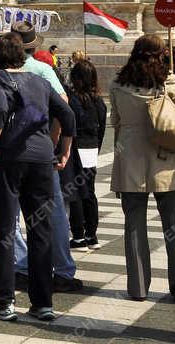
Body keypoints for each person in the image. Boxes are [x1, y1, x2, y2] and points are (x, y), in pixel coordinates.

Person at [0, 22, 82, 293]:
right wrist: (55, 141)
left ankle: (18, 269)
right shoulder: (43, 71)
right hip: (41, 153)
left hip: (8, 153)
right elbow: (64, 108)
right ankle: (61, 271)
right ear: (32, 46)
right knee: (50, 215)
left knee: (9, 219)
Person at [110, 33, 175, 303]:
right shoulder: (167, 81)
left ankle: (138, 288)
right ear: (161, 55)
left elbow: (115, 121)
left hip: (130, 161)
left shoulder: (117, 83)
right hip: (167, 160)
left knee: (134, 225)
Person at [67, 59, 106, 250]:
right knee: (89, 191)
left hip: (77, 147)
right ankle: (92, 234)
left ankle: (78, 236)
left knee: (76, 192)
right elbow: (102, 128)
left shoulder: (73, 99)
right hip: (91, 147)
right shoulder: (99, 100)